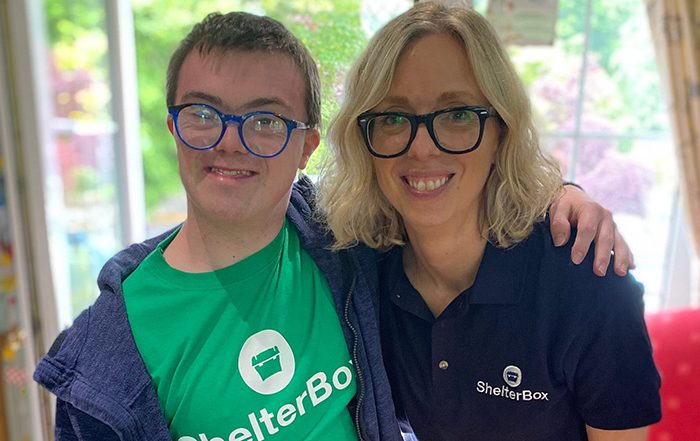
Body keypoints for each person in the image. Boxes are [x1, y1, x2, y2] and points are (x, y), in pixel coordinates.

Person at [34, 8, 634, 441]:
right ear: (173, 128)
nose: (230, 143)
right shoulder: (105, 360)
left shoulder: (345, 240)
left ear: (307, 147)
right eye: (203, 113)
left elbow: (447, 173)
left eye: (266, 122)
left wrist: (560, 192)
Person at [318, 3, 661, 441]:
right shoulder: (360, 273)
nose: (421, 148)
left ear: (503, 132)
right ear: (363, 140)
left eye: (458, 114)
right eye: (392, 117)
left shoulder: (588, 277)